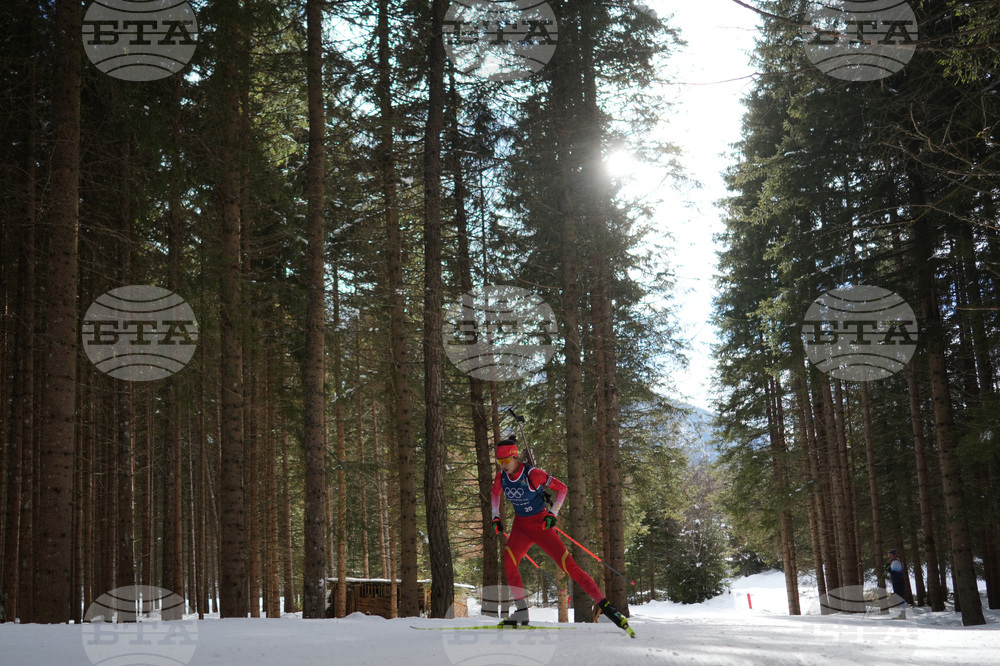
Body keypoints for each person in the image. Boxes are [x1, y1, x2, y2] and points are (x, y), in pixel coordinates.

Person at [490, 437, 634, 637]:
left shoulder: (534, 474)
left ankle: (608, 608)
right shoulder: (501, 477)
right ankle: (521, 612)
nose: (503, 466)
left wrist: (552, 514)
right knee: (508, 561)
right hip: (520, 527)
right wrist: (495, 517)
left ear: (515, 456)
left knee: (570, 567)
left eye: (506, 461)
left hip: (541, 525)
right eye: (499, 462)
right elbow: (495, 493)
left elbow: (562, 488)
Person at [884, 548, 911, 618]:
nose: (889, 557)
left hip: (898, 581)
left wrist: (888, 569)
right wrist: (888, 569)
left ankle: (903, 614)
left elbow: (895, 573)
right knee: (900, 597)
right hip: (898, 581)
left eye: (891, 555)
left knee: (900, 597)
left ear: (894, 555)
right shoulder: (895, 561)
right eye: (888, 555)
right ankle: (902, 613)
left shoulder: (896, 562)